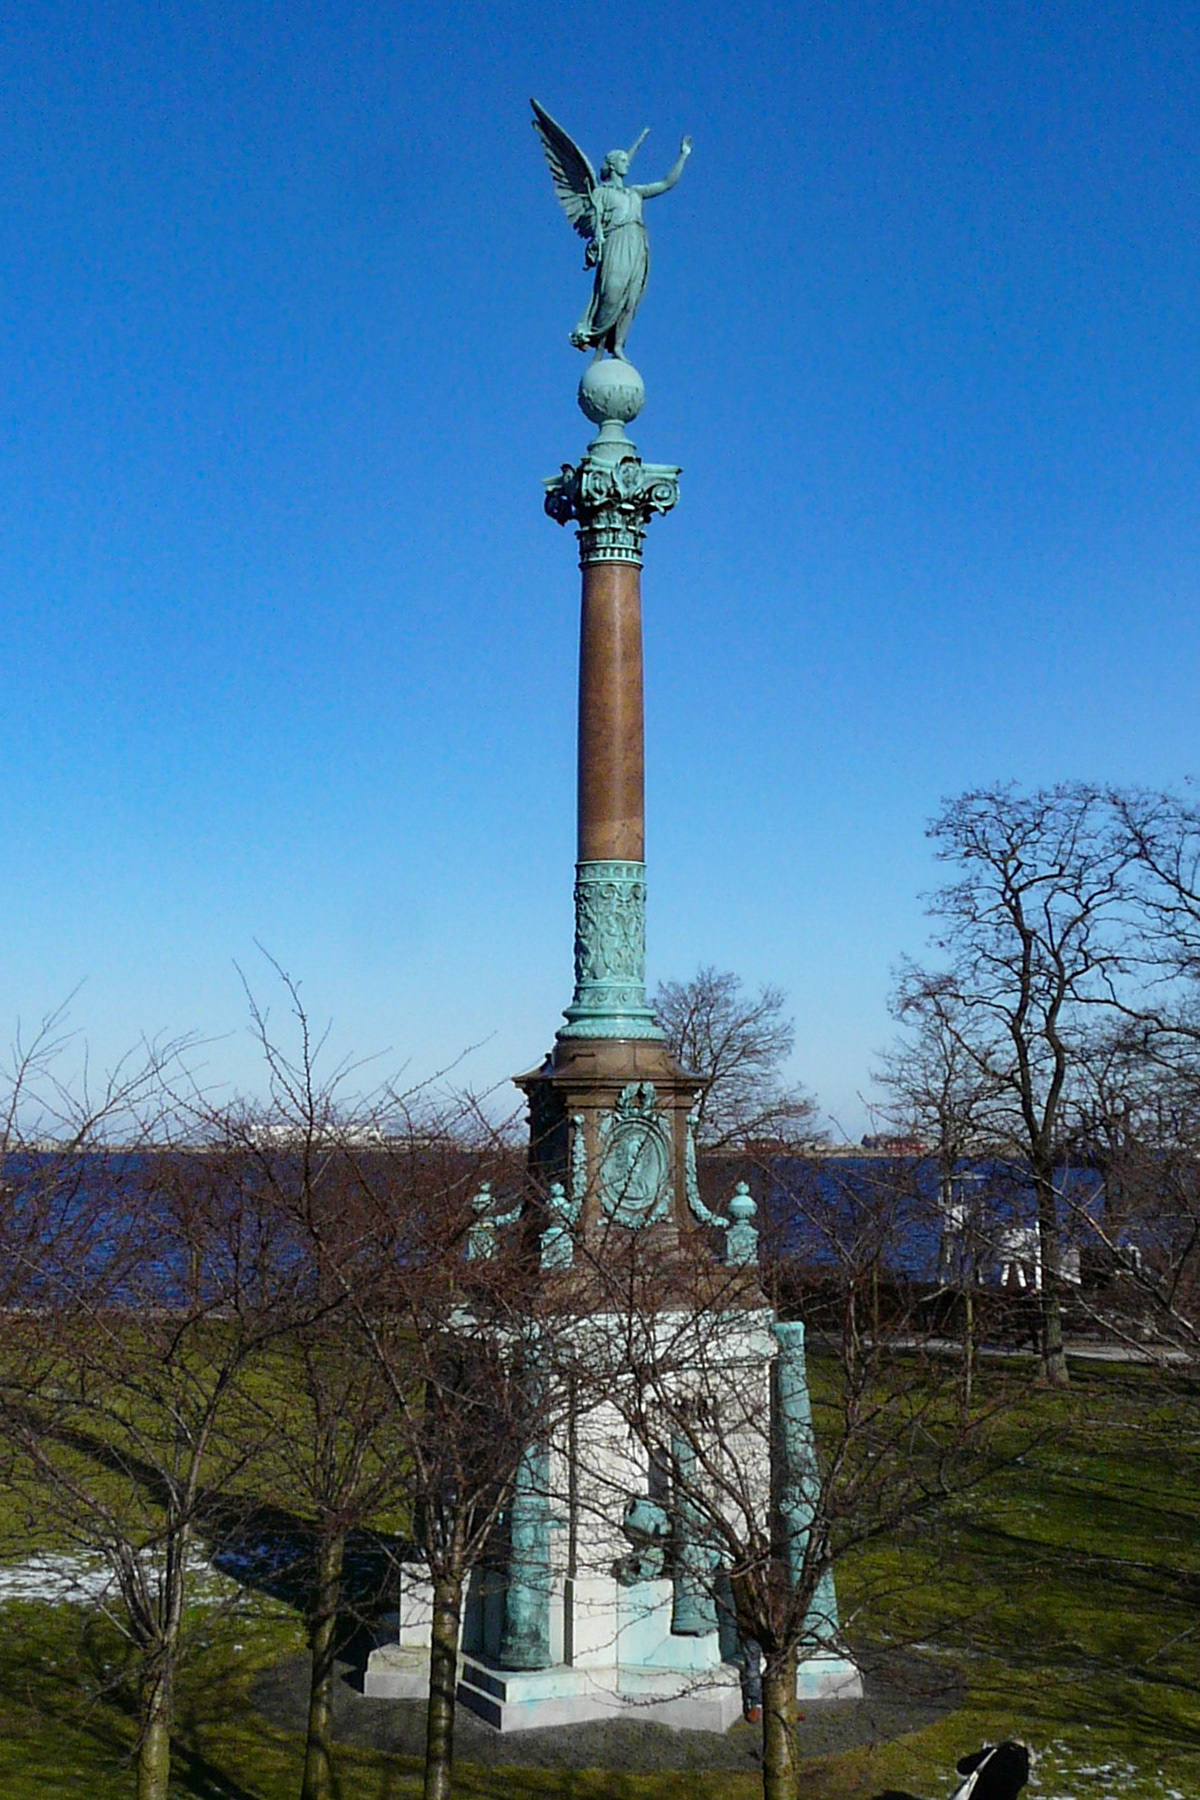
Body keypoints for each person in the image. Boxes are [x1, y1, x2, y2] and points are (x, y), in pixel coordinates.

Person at [570, 137, 692, 360]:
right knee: (612, 290)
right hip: (617, 241)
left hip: (638, 243)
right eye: (623, 160)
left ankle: (617, 345)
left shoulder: (635, 192)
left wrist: (683, 155)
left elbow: (666, 183)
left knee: (631, 298)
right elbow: (595, 222)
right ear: (613, 165)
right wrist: (597, 237)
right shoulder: (601, 193)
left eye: (627, 159)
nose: (627, 164)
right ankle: (593, 334)